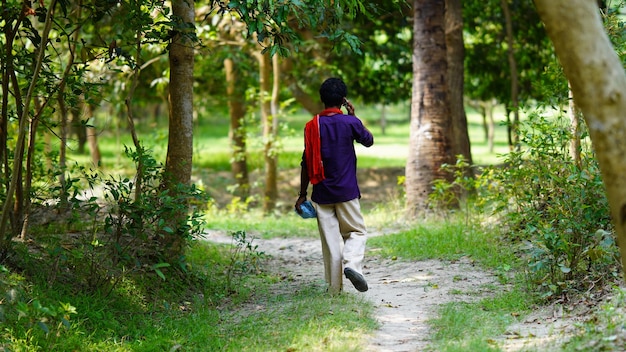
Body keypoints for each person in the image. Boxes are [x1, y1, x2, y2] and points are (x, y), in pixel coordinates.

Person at [295, 77, 374, 294]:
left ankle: (333, 290)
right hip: (347, 191)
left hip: (321, 193)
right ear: (343, 100)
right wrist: (354, 116)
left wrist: (302, 194)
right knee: (356, 232)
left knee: (330, 244)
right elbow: (368, 140)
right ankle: (352, 265)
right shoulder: (350, 123)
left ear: (321, 99)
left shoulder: (311, 126)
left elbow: (305, 161)